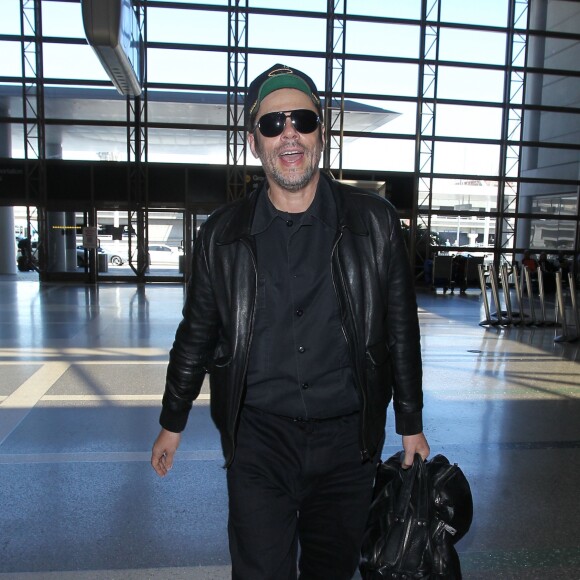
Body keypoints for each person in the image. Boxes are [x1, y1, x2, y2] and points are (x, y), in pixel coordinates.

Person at [151, 63, 430, 580]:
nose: (289, 135)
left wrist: (410, 425)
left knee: (331, 570)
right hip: (259, 439)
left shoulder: (375, 224)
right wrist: (173, 420)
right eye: (272, 123)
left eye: (301, 119)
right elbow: (196, 334)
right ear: (254, 142)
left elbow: (400, 331)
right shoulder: (222, 235)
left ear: (322, 131)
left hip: (349, 442)